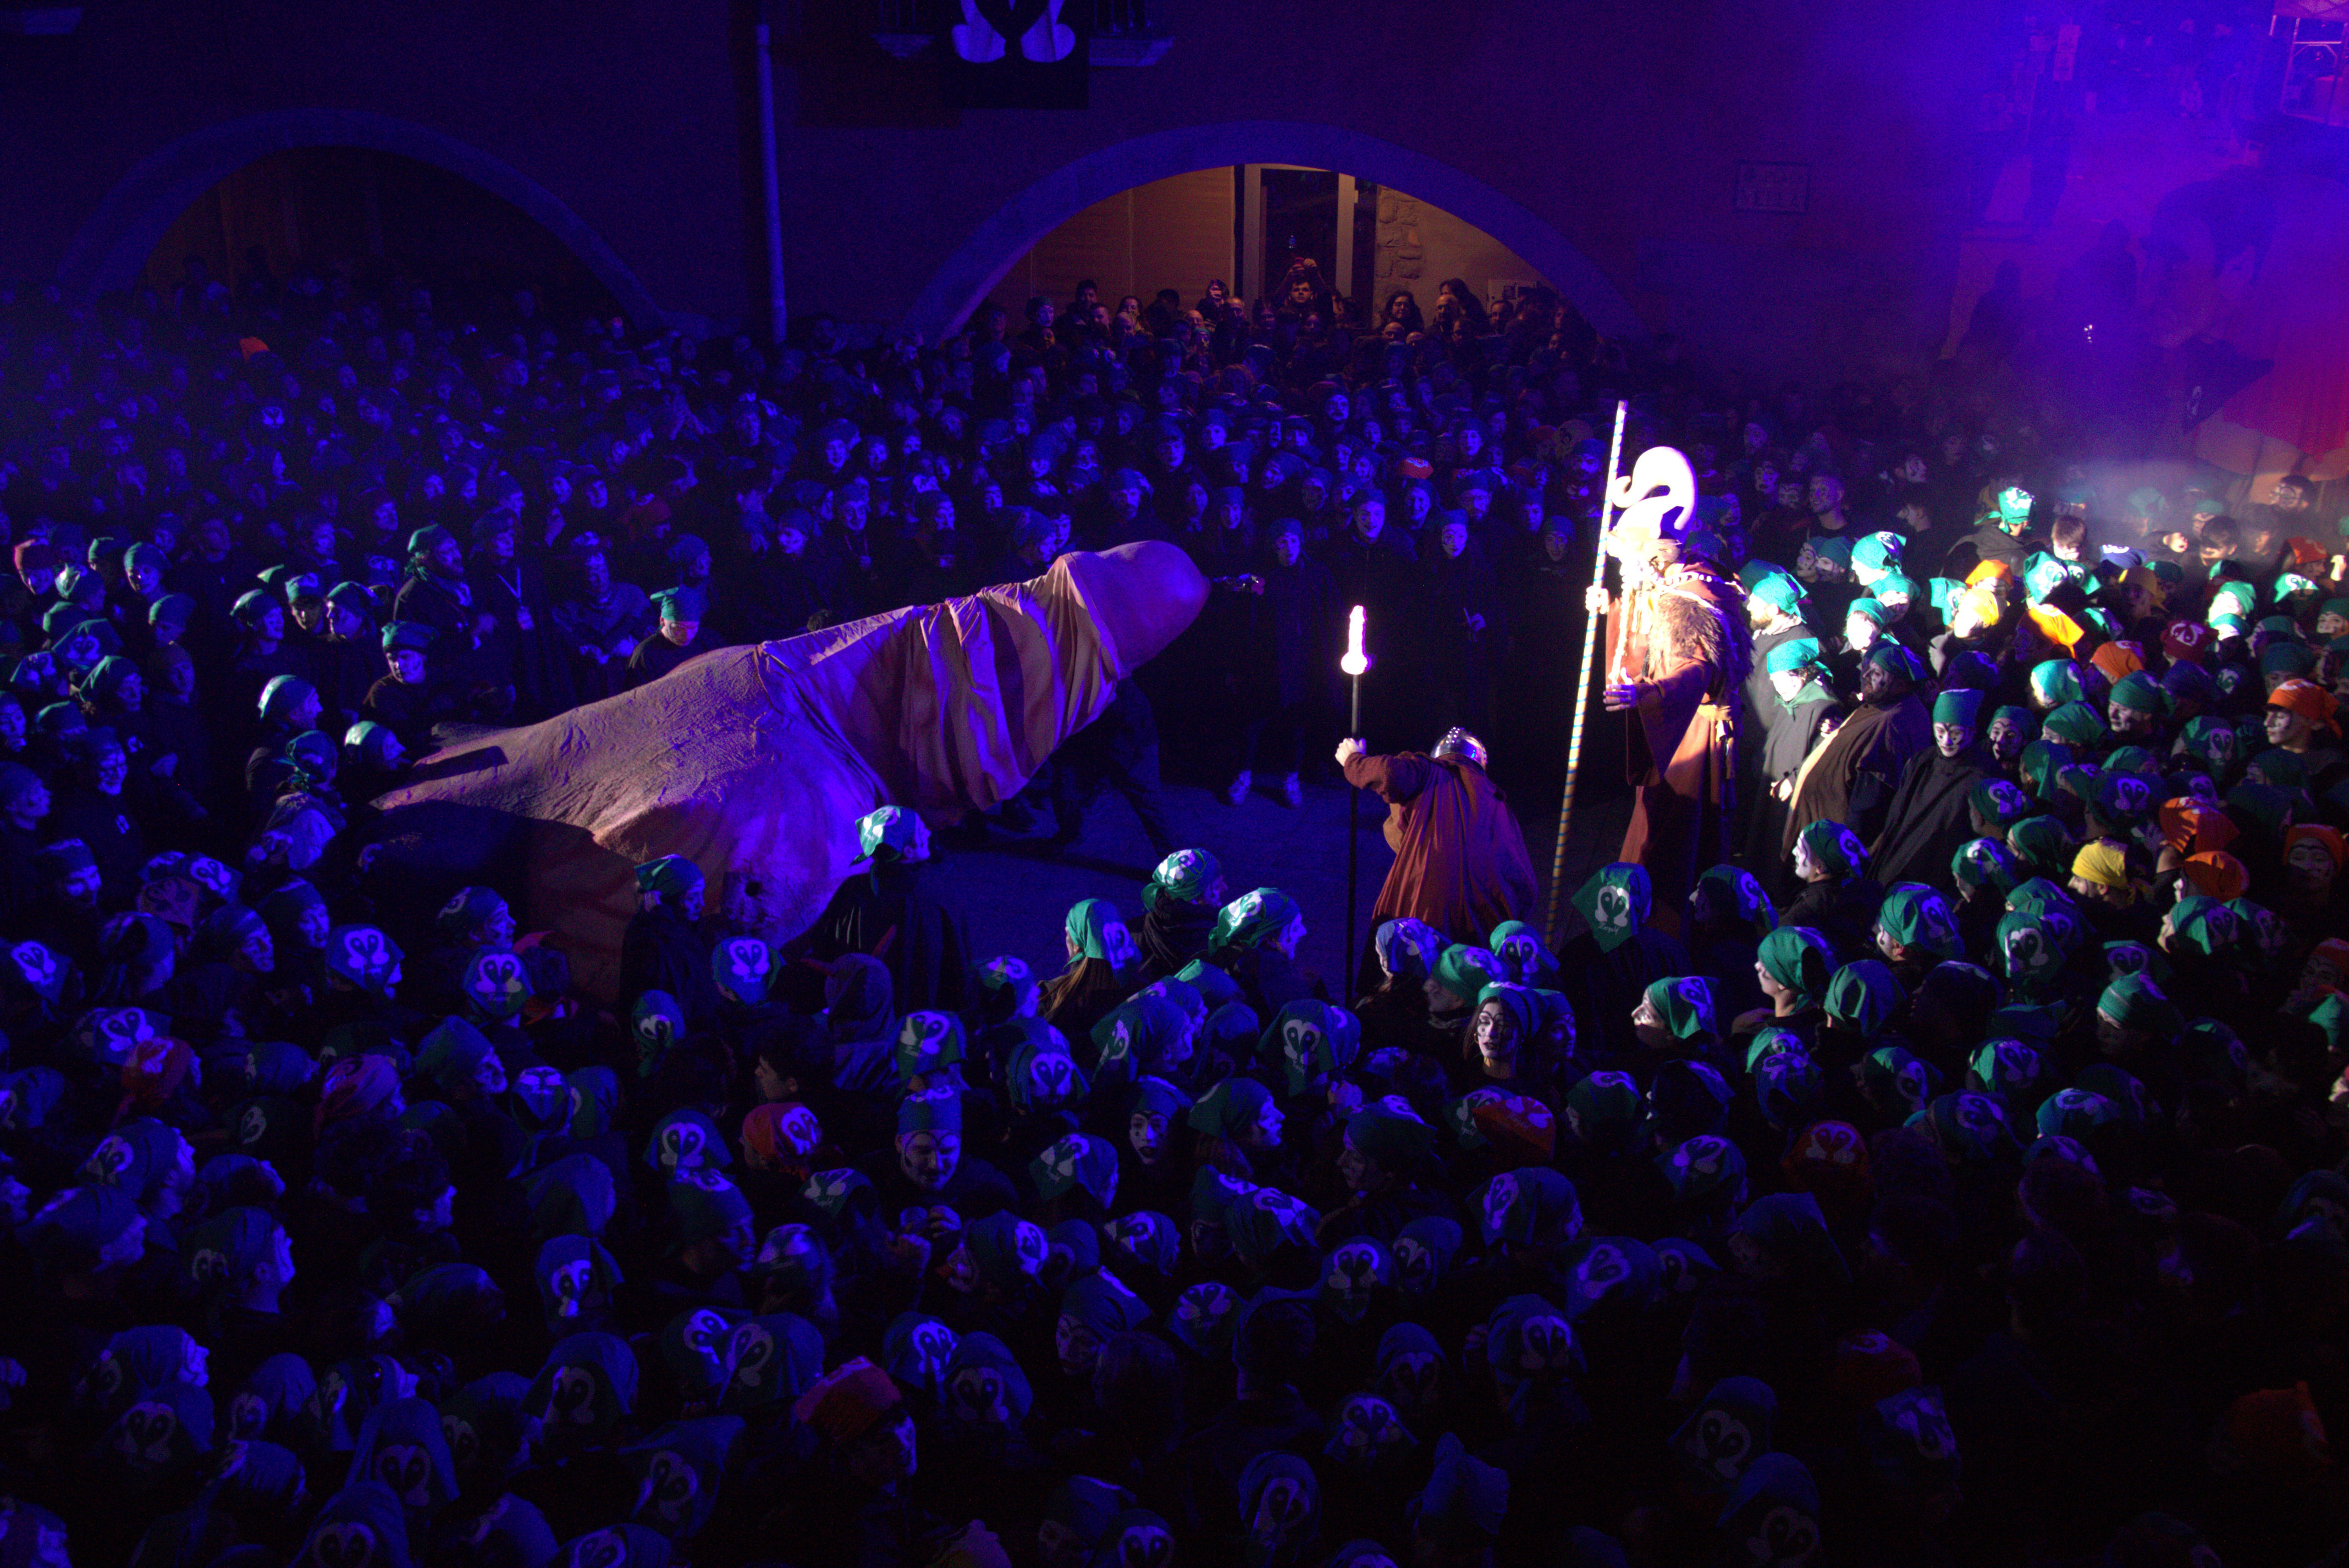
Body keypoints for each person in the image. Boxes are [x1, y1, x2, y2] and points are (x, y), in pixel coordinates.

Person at [1589, 523, 1751, 934]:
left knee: (1670, 834)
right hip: (1669, 725)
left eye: (1629, 562)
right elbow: (1642, 626)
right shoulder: (1667, 583)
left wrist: (1649, 694)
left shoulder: (1695, 597)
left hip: (1688, 735)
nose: (1626, 572)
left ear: (1656, 557)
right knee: (1648, 821)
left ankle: (1656, 930)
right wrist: (1611, 609)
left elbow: (1697, 669)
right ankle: (1620, 923)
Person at [1337, 728, 1537, 991]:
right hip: (1479, 919)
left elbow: (1390, 773)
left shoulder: (1430, 771)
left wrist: (1354, 761)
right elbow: (1524, 882)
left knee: (1410, 978)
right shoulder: (1497, 802)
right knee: (1460, 987)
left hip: (1424, 906)